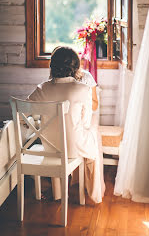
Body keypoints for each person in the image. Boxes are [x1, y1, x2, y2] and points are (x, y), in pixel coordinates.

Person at [28, 46, 105, 203]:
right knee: (94, 141)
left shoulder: (42, 88)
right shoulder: (83, 89)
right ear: (76, 66)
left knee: (85, 137)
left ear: (52, 66)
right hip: (72, 147)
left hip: (50, 147)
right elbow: (85, 122)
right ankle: (93, 191)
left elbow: (26, 113)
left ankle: (59, 193)